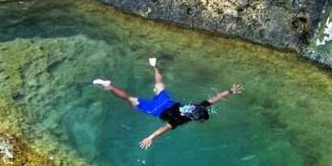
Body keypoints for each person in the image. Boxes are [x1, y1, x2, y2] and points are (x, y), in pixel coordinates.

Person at [93, 58, 243, 149]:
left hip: (166, 101)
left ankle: (154, 65)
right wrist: (151, 137)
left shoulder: (200, 106)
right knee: (130, 100)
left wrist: (230, 91)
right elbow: (165, 127)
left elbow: (215, 98)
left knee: (159, 83)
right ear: (195, 118)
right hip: (156, 109)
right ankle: (109, 86)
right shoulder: (182, 119)